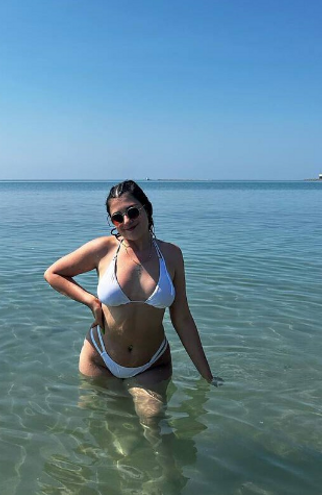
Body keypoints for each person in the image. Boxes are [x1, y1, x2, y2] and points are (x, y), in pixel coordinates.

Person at [44, 180, 221, 423]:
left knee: (153, 423)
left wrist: (207, 377)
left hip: (151, 363)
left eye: (133, 211)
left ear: (147, 209)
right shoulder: (103, 249)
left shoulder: (171, 255)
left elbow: (182, 318)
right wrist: (91, 302)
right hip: (101, 358)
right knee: (100, 427)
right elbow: (53, 274)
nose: (127, 221)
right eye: (117, 218)